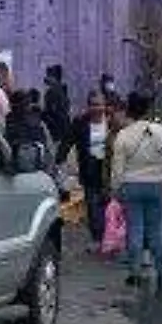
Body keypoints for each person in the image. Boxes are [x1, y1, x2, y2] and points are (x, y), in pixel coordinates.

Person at [110, 91, 162, 288]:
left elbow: (117, 170)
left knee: (135, 229)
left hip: (131, 186)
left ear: (128, 110)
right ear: (148, 109)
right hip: (156, 185)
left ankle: (135, 272)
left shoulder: (123, 136)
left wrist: (116, 191)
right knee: (155, 230)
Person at [57, 91, 112, 251]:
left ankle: (111, 237)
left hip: (109, 169)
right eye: (93, 104)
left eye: (99, 104)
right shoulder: (80, 122)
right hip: (89, 168)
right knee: (93, 205)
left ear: (105, 106)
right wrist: (59, 159)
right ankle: (97, 238)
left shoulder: (112, 121)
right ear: (88, 106)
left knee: (110, 205)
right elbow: (68, 141)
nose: (97, 108)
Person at [43, 65, 71, 143]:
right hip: (63, 126)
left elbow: (51, 111)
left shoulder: (52, 92)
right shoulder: (62, 90)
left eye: (49, 75)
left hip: (56, 128)